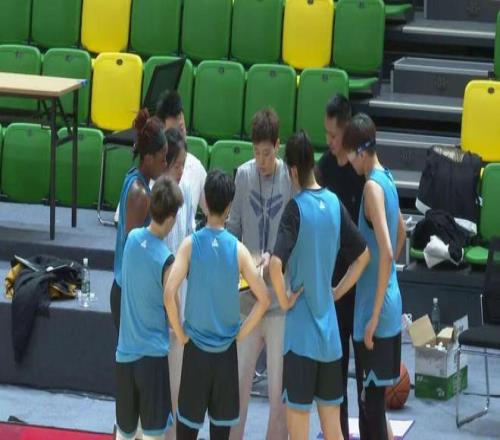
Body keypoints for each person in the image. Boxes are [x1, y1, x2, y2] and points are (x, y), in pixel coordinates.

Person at [269, 131, 370, 440]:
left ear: (292, 170)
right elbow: (363, 256)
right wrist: (337, 291)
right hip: (329, 339)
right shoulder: (334, 204)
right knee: (334, 432)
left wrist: (285, 300)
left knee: (299, 431)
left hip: (300, 339)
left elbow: (274, 264)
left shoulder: (294, 209)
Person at [165, 170, 271, 440]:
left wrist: (180, 332)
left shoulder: (190, 245)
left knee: (186, 432)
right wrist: (241, 333)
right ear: (229, 207)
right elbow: (264, 299)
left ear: (205, 201)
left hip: (195, 353)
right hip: (225, 355)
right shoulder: (239, 250)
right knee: (221, 434)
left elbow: (168, 292)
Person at [227, 108, 293, 440]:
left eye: (267, 153)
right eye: (256, 152)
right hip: (247, 300)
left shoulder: (290, 180)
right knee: (237, 388)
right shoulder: (243, 175)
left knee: (278, 393)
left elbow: (296, 235)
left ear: (277, 147)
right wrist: (246, 263)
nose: (261, 160)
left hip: (279, 302)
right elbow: (233, 230)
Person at [341, 114, 406, 440]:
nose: (350, 162)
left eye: (351, 156)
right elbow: (401, 231)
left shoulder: (371, 187)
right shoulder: (388, 179)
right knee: (373, 406)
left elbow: (388, 251)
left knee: (371, 409)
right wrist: (387, 275)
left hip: (375, 312)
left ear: (361, 152)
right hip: (389, 301)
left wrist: (374, 316)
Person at [115, 176, 184, 440]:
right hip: (152, 359)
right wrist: (181, 333)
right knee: (153, 435)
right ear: (171, 218)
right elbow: (171, 302)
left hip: (125, 355)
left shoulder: (132, 239)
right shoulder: (166, 259)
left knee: (124, 433)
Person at [315, 95, 365, 440]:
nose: (329, 141)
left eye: (333, 135)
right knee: (336, 367)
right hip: (333, 284)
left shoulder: (363, 171)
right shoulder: (324, 168)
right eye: (327, 134)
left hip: (359, 281)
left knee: (364, 372)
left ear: (347, 130)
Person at [111, 110, 168, 331]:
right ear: (149, 158)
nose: (165, 164)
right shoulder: (140, 194)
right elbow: (133, 251)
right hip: (128, 296)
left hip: (127, 291)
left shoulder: (134, 177)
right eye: (162, 158)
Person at [114, 90, 207, 224]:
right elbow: (124, 224)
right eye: (173, 134)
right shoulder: (145, 181)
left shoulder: (195, 167)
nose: (179, 139)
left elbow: (214, 212)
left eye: (182, 130)